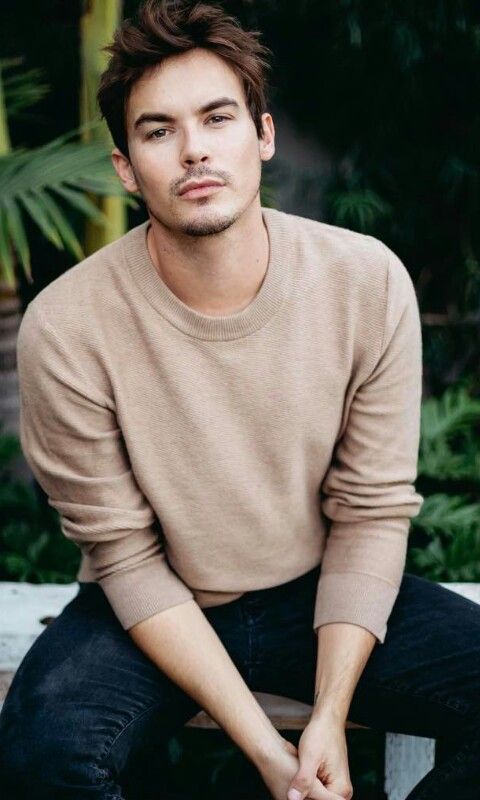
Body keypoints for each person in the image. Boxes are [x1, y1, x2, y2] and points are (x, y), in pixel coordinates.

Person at [1, 1, 479, 798]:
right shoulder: (66, 325)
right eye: (157, 131)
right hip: (146, 601)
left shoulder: (365, 282)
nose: (192, 150)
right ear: (125, 166)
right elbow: (124, 555)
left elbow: (370, 510)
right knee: (40, 759)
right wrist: (268, 752)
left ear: (262, 135)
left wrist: (329, 714)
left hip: (322, 583)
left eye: (216, 117)